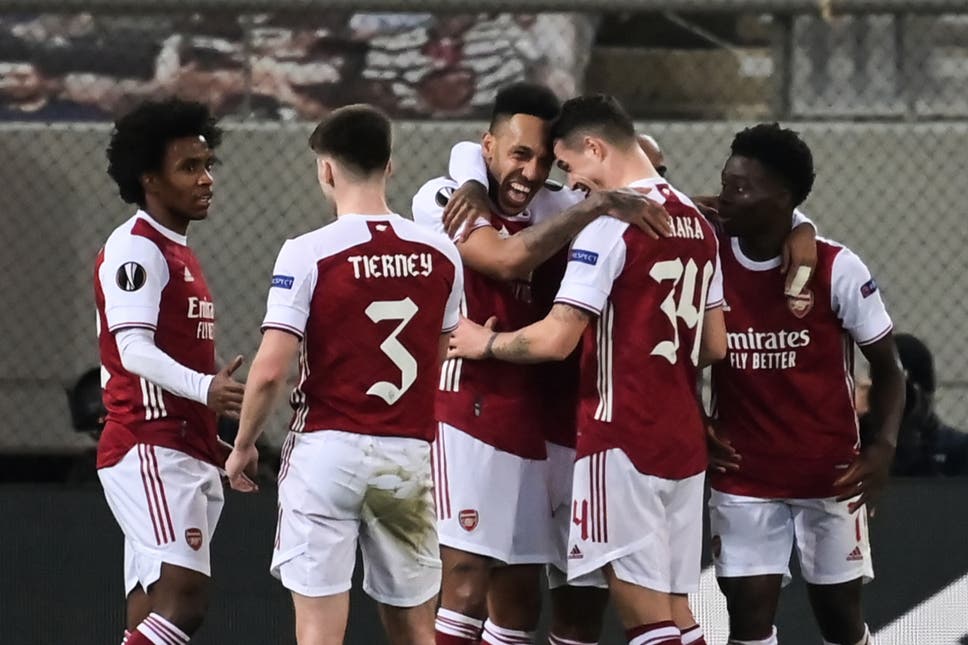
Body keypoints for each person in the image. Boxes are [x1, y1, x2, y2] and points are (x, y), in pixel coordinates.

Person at [449, 94, 727, 645]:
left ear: (595, 148)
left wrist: (486, 343)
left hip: (619, 439)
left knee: (648, 623)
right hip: (683, 443)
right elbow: (714, 345)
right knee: (679, 614)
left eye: (572, 166)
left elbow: (555, 340)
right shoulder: (697, 222)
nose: (573, 184)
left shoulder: (610, 225)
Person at [412, 83, 670, 645]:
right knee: (464, 581)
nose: (529, 172)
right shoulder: (441, 197)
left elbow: (636, 161)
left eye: (543, 159)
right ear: (487, 146)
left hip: (554, 420)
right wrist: (474, 179)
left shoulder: (560, 205)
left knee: (534, 598)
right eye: (518, 154)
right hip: (468, 410)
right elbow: (502, 261)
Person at [224, 104, 463, 645]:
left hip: (326, 452)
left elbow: (269, 371)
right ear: (390, 165)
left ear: (326, 169)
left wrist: (243, 445)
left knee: (318, 631)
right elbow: (441, 347)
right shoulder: (441, 253)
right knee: (414, 627)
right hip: (405, 455)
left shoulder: (308, 253)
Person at [705, 123, 906, 645]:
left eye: (742, 187)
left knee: (838, 618)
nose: (727, 194)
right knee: (748, 619)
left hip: (830, 474)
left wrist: (883, 446)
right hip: (744, 474)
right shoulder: (708, 258)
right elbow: (678, 356)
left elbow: (889, 369)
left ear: (785, 199)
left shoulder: (838, 267)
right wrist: (695, 418)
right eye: (726, 181)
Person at [94, 98, 249, 645]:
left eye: (208, 166)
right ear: (148, 178)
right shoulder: (136, 249)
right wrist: (207, 389)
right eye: (189, 168)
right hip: (148, 445)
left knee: (151, 606)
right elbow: (132, 349)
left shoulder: (178, 250)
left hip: (185, 446)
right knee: (184, 600)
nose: (206, 179)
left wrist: (216, 440)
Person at [858, 333, 968, 476]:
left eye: (906, 395)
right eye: (889, 394)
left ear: (925, 395)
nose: (899, 405)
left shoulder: (955, 449)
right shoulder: (860, 442)